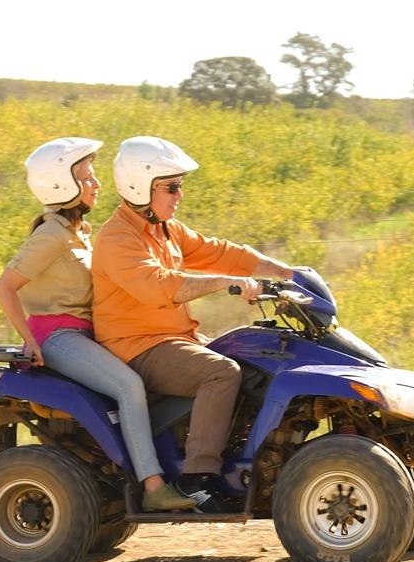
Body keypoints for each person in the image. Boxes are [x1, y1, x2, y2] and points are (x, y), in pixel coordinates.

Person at [91, 136, 297, 512]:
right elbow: (159, 287)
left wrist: (286, 272)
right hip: (137, 345)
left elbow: (220, 251)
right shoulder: (117, 239)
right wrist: (223, 283)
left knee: (256, 358)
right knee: (219, 373)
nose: (179, 194)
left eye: (180, 185)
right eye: (171, 187)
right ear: (140, 187)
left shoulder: (166, 229)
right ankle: (197, 481)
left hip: (172, 337)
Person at [0, 137, 195, 512]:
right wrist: (29, 340)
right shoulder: (51, 234)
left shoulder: (80, 234)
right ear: (62, 185)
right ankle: (153, 485)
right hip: (59, 336)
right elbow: (5, 286)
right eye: (87, 177)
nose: (97, 183)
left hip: (89, 336)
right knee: (129, 386)